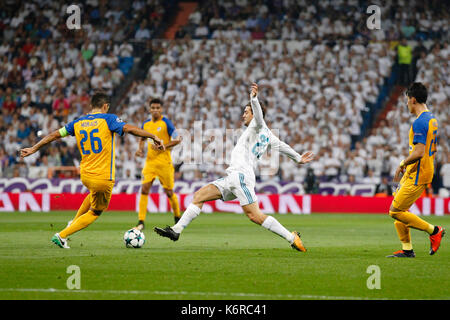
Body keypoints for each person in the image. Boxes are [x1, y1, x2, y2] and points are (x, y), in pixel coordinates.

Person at [154, 83, 314, 252]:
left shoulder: (257, 125)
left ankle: (291, 237)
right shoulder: (268, 135)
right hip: (233, 177)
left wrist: (254, 99)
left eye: (246, 112)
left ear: (254, 113)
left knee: (255, 216)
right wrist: (298, 158)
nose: (243, 115)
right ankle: (176, 230)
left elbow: (260, 117)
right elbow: (282, 146)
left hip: (241, 176)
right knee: (199, 196)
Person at [20, 92, 165, 249]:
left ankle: (72, 223)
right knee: (95, 212)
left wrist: (34, 148)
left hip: (85, 175)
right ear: (105, 106)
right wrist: (153, 136)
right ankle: (62, 235)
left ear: (91, 106)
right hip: (103, 178)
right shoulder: (108, 118)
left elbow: (55, 135)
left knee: (93, 195)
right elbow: (129, 128)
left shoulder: (78, 122)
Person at [387, 83, 445, 258]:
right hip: (418, 170)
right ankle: (407, 249)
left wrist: (402, 163)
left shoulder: (420, 122)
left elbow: (419, 152)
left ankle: (434, 231)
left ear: (413, 100)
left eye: (407, 101)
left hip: (419, 173)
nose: (406, 104)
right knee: (400, 208)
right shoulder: (431, 119)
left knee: (395, 211)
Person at [135, 98, 182, 230]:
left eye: (158, 108)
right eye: (153, 108)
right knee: (144, 189)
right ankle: (141, 221)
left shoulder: (166, 123)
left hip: (164, 163)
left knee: (169, 192)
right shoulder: (146, 124)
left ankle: (177, 217)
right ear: (150, 109)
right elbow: (142, 138)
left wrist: (165, 146)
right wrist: (140, 149)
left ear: (161, 109)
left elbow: (178, 139)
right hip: (149, 163)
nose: (155, 110)